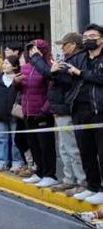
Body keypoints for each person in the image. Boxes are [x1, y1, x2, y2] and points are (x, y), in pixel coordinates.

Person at [43, 32, 87, 194]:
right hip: (59, 109)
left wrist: (54, 72)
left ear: (73, 44)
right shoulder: (69, 60)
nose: (62, 47)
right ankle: (69, 179)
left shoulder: (76, 60)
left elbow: (68, 83)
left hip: (66, 109)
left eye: (64, 44)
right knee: (63, 147)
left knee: (72, 147)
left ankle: (82, 181)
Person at [64, 24, 103, 205]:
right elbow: (66, 79)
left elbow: (99, 78)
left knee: (101, 153)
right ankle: (92, 186)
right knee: (86, 151)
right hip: (80, 111)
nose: (87, 39)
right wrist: (57, 70)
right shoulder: (80, 57)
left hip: (99, 112)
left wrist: (80, 73)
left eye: (92, 36)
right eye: (85, 36)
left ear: (101, 39)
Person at [19, 39, 57, 188]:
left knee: (46, 145)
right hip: (28, 111)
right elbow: (23, 89)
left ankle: (50, 174)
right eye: (30, 49)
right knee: (33, 143)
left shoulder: (49, 65)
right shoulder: (26, 67)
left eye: (36, 49)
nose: (32, 52)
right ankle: (39, 171)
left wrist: (44, 109)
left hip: (42, 112)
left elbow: (52, 90)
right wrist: (17, 83)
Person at [0, 56, 24, 172]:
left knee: (15, 140)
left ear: (15, 66)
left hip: (15, 114)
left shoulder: (19, 79)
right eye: (4, 63)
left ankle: (17, 162)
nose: (4, 66)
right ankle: (1, 162)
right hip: (0, 113)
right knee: (1, 139)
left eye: (7, 64)